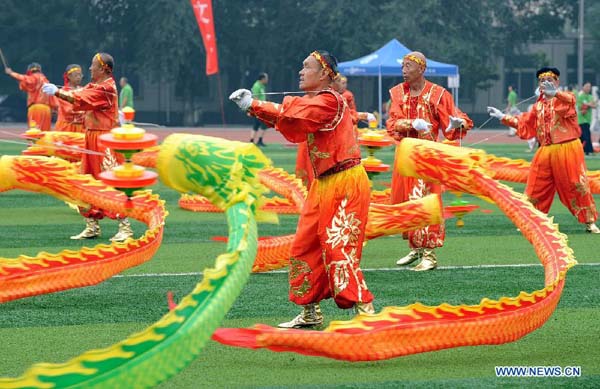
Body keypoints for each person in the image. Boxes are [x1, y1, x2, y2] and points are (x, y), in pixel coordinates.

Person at [229, 50, 374, 328]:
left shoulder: (331, 101)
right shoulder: (317, 103)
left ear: (325, 74)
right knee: (304, 245)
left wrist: (255, 103)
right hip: (324, 184)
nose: (300, 71)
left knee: (338, 247)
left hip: (345, 183)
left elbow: (296, 113)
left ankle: (366, 314)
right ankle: (310, 312)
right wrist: (252, 108)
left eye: (306, 67)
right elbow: (292, 119)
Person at [386, 51, 473, 271]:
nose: (403, 70)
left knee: (425, 201)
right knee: (407, 201)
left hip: (426, 156)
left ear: (421, 69)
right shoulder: (398, 93)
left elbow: (455, 120)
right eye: (403, 66)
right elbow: (392, 123)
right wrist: (410, 124)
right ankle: (416, 247)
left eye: (408, 66)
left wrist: (456, 123)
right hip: (406, 154)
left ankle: (430, 253)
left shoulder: (438, 94)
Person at [487, 67, 600, 233]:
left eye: (550, 80)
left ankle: (589, 221)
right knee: (535, 186)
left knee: (576, 185)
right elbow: (524, 122)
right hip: (545, 150)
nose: (545, 84)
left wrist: (556, 93)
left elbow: (570, 101)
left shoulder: (565, 99)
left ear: (557, 82)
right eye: (542, 81)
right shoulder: (537, 106)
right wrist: (502, 117)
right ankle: (530, 221)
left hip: (568, 149)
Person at [42, 52, 134, 242]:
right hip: (91, 136)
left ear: (103, 69)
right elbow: (81, 93)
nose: (90, 69)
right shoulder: (95, 85)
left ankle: (125, 227)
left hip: (105, 139)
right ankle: (92, 225)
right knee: (87, 179)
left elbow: (82, 99)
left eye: (93, 65)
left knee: (111, 181)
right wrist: (62, 91)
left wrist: (58, 92)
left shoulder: (107, 88)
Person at [4, 62, 57, 130]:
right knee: (45, 133)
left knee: (34, 132)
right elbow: (52, 97)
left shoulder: (33, 77)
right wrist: (54, 110)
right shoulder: (46, 81)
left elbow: (24, 79)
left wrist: (11, 73)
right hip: (46, 110)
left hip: (36, 108)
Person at [54, 64, 85, 132]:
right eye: (76, 75)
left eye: (80, 75)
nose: (78, 77)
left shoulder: (84, 90)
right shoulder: (63, 92)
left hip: (81, 127)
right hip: (66, 127)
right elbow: (68, 110)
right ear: (69, 76)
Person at [250, 72, 269, 146]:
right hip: (259, 108)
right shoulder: (257, 86)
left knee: (258, 125)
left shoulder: (262, 86)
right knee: (260, 124)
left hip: (262, 107)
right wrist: (257, 108)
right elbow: (255, 97)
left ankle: (256, 140)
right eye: (266, 78)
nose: (267, 80)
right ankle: (255, 140)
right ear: (263, 79)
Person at [577, 82, 596, 155]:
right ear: (583, 87)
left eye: (589, 87)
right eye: (587, 86)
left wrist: (586, 104)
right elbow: (581, 109)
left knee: (587, 135)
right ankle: (586, 151)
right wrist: (589, 104)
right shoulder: (580, 96)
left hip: (588, 120)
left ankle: (587, 151)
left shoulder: (590, 96)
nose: (588, 88)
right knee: (584, 136)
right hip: (581, 120)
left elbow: (594, 105)